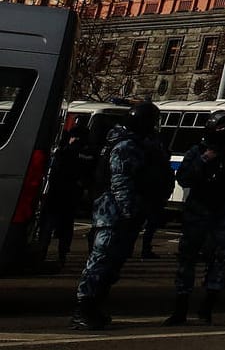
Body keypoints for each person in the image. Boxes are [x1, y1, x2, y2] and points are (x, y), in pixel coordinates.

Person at [72, 100, 174, 331]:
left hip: (126, 212)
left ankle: (95, 307)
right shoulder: (125, 145)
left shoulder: (142, 143)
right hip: (112, 213)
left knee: (112, 263)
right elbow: (121, 181)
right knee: (100, 261)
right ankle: (83, 309)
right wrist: (129, 211)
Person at [165, 110, 225, 325]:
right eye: (219, 127)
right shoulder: (199, 151)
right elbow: (184, 177)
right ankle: (180, 309)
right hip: (199, 210)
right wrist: (205, 160)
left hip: (224, 211)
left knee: (221, 260)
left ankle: (207, 308)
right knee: (187, 260)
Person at [43, 121, 97, 265]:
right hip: (73, 193)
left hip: (57, 192)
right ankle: (62, 253)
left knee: (49, 223)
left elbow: (53, 172)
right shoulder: (89, 154)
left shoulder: (63, 152)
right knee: (67, 225)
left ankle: (42, 250)